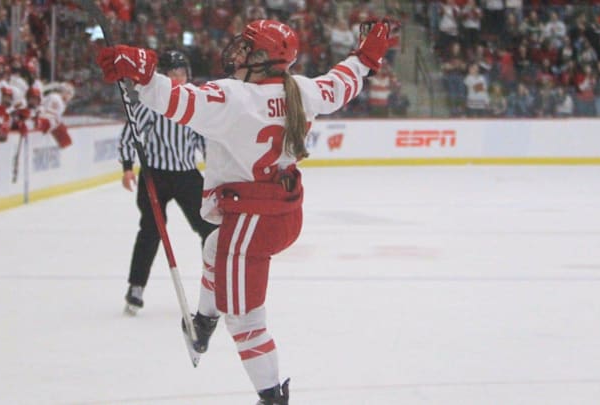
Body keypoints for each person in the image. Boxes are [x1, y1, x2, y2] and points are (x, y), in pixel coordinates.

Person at [96, 18, 392, 404]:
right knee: (212, 246)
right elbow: (341, 83)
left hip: (251, 221)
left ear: (264, 58)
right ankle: (204, 321)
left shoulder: (232, 97)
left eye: (247, 48)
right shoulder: (302, 90)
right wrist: (365, 57)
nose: (237, 52)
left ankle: (271, 397)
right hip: (284, 214)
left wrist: (144, 74)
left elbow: (177, 100)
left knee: (246, 321)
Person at [118, 50, 217, 315]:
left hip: (187, 176)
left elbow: (205, 138)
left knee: (210, 230)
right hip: (155, 176)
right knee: (150, 230)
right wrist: (128, 166)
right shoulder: (154, 101)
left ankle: (214, 287)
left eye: (181, 73)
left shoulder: (196, 101)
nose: (177, 78)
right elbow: (132, 132)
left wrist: (217, 169)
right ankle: (136, 287)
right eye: (172, 73)